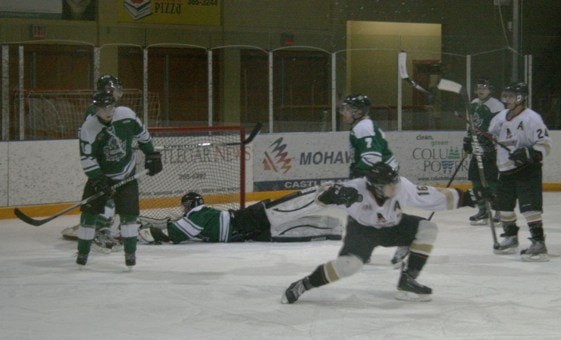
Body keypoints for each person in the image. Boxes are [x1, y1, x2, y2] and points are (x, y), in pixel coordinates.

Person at [281, 163, 481, 304]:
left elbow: (431, 196)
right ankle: (303, 285)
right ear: (376, 187)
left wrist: (468, 197)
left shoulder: (400, 186)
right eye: (389, 185)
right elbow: (321, 199)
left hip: (393, 227)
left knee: (428, 228)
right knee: (349, 266)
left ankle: (408, 280)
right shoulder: (355, 189)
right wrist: (333, 195)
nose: (395, 188)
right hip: (363, 232)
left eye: (394, 183)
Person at [75, 91, 163, 270]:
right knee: (88, 215)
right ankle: (82, 253)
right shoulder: (88, 128)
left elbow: (142, 134)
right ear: (95, 109)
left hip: (127, 174)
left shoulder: (126, 115)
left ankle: (130, 254)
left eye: (110, 107)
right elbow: (87, 158)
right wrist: (99, 180)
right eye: (102, 108)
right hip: (101, 176)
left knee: (129, 216)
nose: (108, 111)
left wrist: (151, 154)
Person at [339, 93, 406, 267]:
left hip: (377, 176)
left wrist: (362, 177)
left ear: (358, 112)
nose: (343, 112)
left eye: (347, 109)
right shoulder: (363, 125)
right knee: (370, 214)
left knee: (367, 214)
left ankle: (359, 251)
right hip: (380, 175)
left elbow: (372, 157)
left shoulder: (364, 127)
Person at [489, 82, 552, 261]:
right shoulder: (500, 117)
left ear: (520, 97)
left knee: (530, 207)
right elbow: (491, 137)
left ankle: (539, 243)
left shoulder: (532, 118)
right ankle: (510, 237)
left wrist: (528, 153)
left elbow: (546, 144)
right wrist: (480, 143)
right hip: (505, 169)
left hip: (527, 170)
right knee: (504, 207)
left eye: (510, 96)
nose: (506, 99)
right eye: (505, 95)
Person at [137, 190, 344, 244]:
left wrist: (152, 233)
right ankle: (333, 229)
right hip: (247, 232)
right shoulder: (200, 218)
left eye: (184, 206)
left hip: (245, 220)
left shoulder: (197, 214)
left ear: (191, 205)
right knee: (294, 230)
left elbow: (176, 234)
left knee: (286, 208)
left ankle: (325, 195)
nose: (183, 210)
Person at [463, 78, 504, 225]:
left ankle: (499, 211)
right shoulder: (473, 103)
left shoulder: (496, 105)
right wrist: (467, 140)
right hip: (476, 148)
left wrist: (489, 141)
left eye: (484, 87)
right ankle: (483, 210)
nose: (481, 90)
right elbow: (471, 123)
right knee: (475, 180)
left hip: (492, 150)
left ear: (490, 90)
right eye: (478, 87)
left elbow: (500, 128)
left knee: (491, 182)